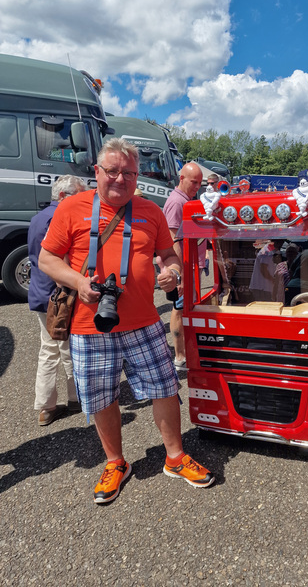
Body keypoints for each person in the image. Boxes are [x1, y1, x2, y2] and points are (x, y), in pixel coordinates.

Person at [39, 138, 214, 504]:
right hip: (90, 325)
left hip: (144, 321)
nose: (121, 178)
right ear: (97, 172)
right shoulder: (72, 207)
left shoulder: (150, 211)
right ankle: (116, 462)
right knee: (102, 398)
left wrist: (171, 271)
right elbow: (46, 260)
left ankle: (175, 457)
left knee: (165, 388)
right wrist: (78, 282)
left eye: (129, 172)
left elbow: (169, 254)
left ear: (138, 175)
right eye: (113, 171)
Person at [28, 175, 87, 426]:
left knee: (49, 349)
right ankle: (77, 399)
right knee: (68, 348)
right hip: (60, 296)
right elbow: (61, 264)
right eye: (78, 195)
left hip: (40, 293)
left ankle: (46, 406)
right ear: (63, 196)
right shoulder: (59, 218)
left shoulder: (37, 217)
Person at [163, 162, 204, 371]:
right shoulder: (177, 202)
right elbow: (173, 240)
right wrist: (180, 275)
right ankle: (179, 358)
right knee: (179, 309)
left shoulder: (186, 200)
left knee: (184, 308)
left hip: (188, 266)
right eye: (193, 182)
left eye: (199, 183)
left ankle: (184, 354)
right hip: (182, 268)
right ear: (182, 178)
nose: (197, 186)